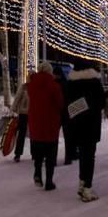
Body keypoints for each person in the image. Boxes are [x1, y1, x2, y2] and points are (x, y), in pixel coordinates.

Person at [65, 59, 106, 202]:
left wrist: (79, 108)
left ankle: (82, 184)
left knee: (83, 154)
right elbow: (102, 102)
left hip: (77, 125)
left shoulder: (70, 83)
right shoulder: (94, 81)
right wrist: (90, 106)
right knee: (90, 155)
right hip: (91, 124)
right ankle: (87, 188)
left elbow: (67, 104)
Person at [27, 61, 64, 191]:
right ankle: (49, 181)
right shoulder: (54, 86)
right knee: (50, 154)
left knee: (37, 151)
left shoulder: (31, 85)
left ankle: (37, 172)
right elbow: (60, 103)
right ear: (50, 71)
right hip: (50, 124)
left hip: (35, 123)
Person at [54, 65, 78, 165]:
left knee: (54, 137)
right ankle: (69, 157)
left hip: (56, 113)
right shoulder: (67, 84)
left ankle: (52, 159)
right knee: (68, 137)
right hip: (67, 113)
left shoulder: (53, 85)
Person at [10, 76, 30, 162]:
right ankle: (17, 154)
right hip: (23, 113)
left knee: (33, 135)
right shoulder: (24, 87)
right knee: (21, 134)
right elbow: (17, 97)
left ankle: (34, 154)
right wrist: (14, 109)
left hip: (32, 114)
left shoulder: (35, 87)